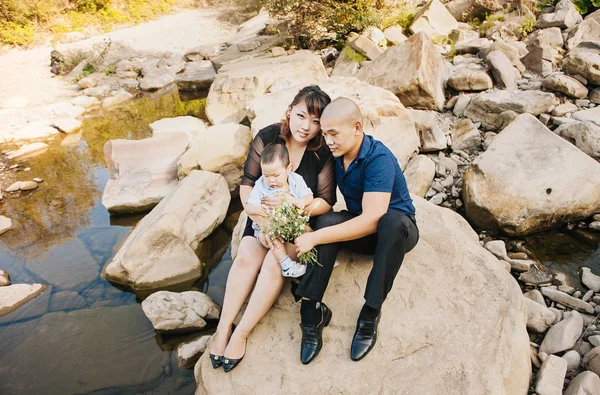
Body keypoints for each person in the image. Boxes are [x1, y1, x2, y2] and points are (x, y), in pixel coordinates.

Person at [208, 85, 336, 372]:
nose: (306, 126)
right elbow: (246, 184)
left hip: (297, 225)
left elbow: (326, 201)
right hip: (262, 219)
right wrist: (261, 219)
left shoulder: (323, 152)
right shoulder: (267, 137)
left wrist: (297, 208)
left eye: (316, 121)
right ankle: (223, 329)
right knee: (247, 256)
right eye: (302, 115)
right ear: (289, 111)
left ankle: (241, 334)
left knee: (272, 264)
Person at [293, 97, 420, 364]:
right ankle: (311, 312)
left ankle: (370, 313)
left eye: (333, 134)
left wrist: (313, 238)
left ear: (357, 127)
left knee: (390, 222)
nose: (328, 141)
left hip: (395, 232)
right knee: (327, 221)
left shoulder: (378, 158)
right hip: (362, 230)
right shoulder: (335, 152)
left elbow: (373, 218)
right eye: (325, 134)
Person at [244, 142, 313, 278]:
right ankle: (287, 265)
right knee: (272, 235)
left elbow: (309, 196)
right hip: (268, 228)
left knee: (308, 231)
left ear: (288, 168)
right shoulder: (260, 186)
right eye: (266, 175)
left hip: (290, 223)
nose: (271, 180)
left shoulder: (296, 180)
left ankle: (315, 258)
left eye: (276, 175)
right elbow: (248, 206)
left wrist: (301, 202)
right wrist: (257, 208)